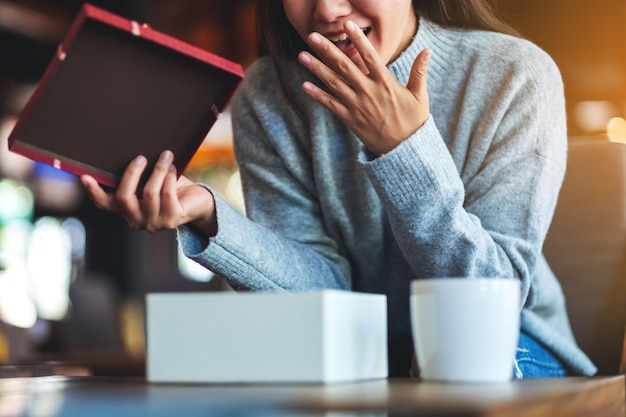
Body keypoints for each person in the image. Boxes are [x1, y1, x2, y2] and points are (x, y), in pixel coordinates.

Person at [81, 0, 597, 378]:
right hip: (356, 351)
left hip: (511, 345)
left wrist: (403, 149)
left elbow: (491, 296)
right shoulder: (270, 93)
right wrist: (210, 217)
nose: (326, 9)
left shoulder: (514, 76)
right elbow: (323, 296)